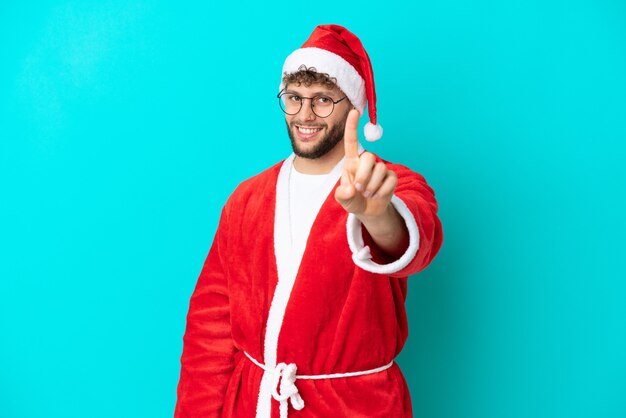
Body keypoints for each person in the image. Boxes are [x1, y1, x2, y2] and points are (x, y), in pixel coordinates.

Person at [174, 24, 443, 418]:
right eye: (294, 98)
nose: (305, 114)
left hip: (354, 407)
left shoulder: (390, 184)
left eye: (322, 100)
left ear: (353, 106)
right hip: (254, 404)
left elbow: (416, 239)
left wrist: (377, 215)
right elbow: (210, 326)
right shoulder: (246, 199)